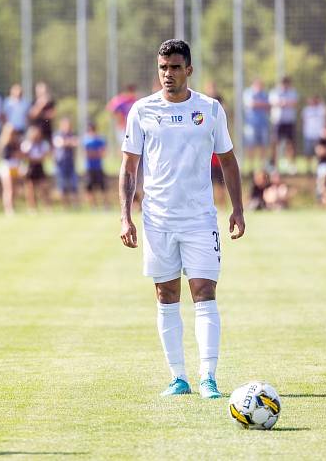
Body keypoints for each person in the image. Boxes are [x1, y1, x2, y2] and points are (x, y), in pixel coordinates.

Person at [119, 39, 245, 400]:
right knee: (166, 294)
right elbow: (129, 166)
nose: (168, 74)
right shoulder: (142, 111)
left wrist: (237, 208)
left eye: (175, 67)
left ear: (189, 69)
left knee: (204, 292)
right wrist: (125, 216)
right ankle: (178, 378)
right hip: (157, 220)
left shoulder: (209, 108)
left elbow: (228, 160)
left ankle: (208, 376)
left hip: (200, 219)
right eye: (163, 68)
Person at [269, 76, 298, 172]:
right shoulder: (275, 92)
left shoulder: (292, 92)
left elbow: (294, 103)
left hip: (289, 121)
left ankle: (291, 164)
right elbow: (273, 102)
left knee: (290, 143)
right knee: (275, 143)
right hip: (278, 122)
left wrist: (283, 103)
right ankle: (274, 165)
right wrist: (283, 103)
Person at [242, 79, 271, 169]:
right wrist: (263, 104)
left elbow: (268, 106)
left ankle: (262, 167)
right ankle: (251, 167)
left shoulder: (264, 94)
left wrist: (259, 104)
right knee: (250, 145)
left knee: (263, 145)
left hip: (263, 124)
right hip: (251, 124)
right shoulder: (248, 92)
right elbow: (251, 104)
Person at [20, 125, 51, 211]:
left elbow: (46, 156)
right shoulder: (27, 144)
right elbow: (24, 156)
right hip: (30, 167)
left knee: (43, 187)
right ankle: (32, 207)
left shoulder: (43, 144)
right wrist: (35, 158)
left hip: (39, 166)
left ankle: (47, 206)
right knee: (30, 189)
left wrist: (36, 159)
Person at [53, 117, 79, 208]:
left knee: (73, 185)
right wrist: (69, 142)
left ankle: (75, 205)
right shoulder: (57, 134)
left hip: (70, 163)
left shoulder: (72, 134)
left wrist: (66, 142)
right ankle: (65, 206)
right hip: (61, 164)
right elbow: (60, 143)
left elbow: (76, 143)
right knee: (62, 186)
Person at [0, 124, 23, 215]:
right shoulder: (4, 144)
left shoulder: (15, 143)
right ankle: (8, 208)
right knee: (9, 189)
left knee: (14, 189)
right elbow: (6, 156)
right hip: (7, 167)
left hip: (15, 167)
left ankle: (12, 206)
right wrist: (16, 154)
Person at [83, 122, 108, 209]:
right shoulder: (86, 140)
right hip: (89, 168)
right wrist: (96, 153)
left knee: (102, 187)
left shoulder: (100, 140)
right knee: (89, 188)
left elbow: (103, 153)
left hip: (98, 167)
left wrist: (94, 153)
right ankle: (93, 206)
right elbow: (86, 153)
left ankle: (105, 205)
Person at [301, 95, 326, 173]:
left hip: (318, 135)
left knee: (318, 152)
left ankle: (318, 168)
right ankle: (308, 169)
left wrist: (321, 102)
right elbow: (303, 121)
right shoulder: (306, 110)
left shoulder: (321, 109)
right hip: (308, 134)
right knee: (308, 153)